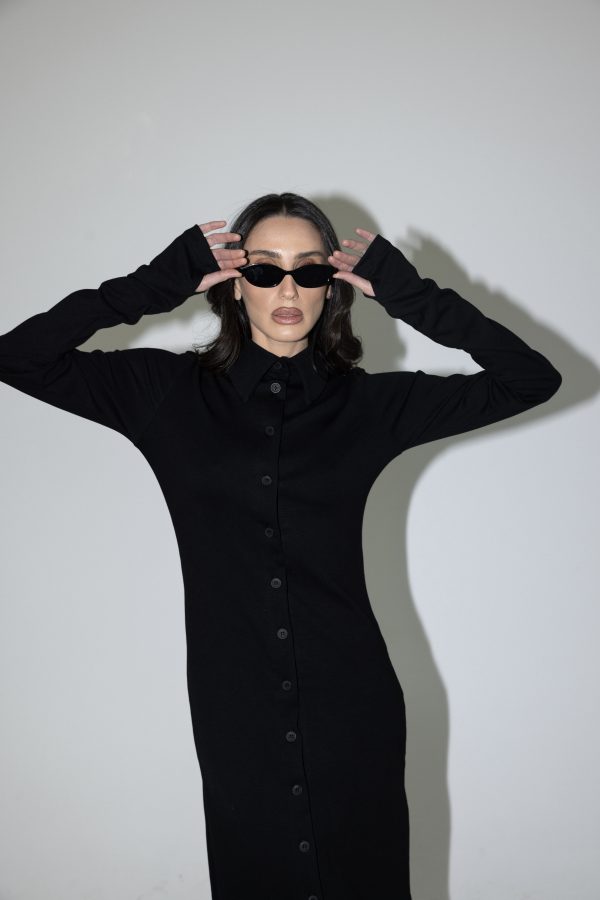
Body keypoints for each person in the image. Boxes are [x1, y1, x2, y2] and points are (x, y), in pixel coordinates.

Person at [0, 192, 562, 900]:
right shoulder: (165, 395)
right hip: (235, 711)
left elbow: (531, 379)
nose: (288, 290)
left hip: (354, 704)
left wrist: (409, 294)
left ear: (334, 286)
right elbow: (18, 357)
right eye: (265, 271)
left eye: (311, 270)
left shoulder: (369, 407)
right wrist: (154, 283)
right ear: (235, 284)